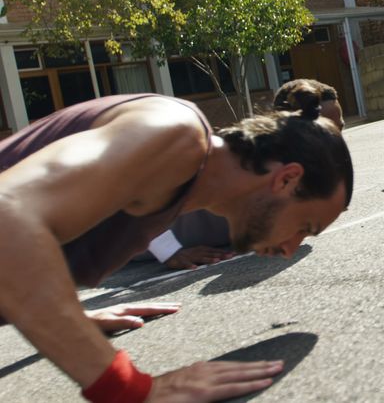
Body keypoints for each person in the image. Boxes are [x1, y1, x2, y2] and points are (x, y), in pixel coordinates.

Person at [0, 92, 353, 401]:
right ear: (287, 179)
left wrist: (65, 315)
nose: (291, 249)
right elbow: (6, 215)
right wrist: (131, 390)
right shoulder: (172, 132)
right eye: (304, 227)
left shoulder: (174, 184)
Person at [140, 79, 347, 271]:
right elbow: (130, 191)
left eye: (339, 128)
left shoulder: (307, 183)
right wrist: (169, 251)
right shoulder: (217, 160)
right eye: (328, 130)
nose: (338, 139)